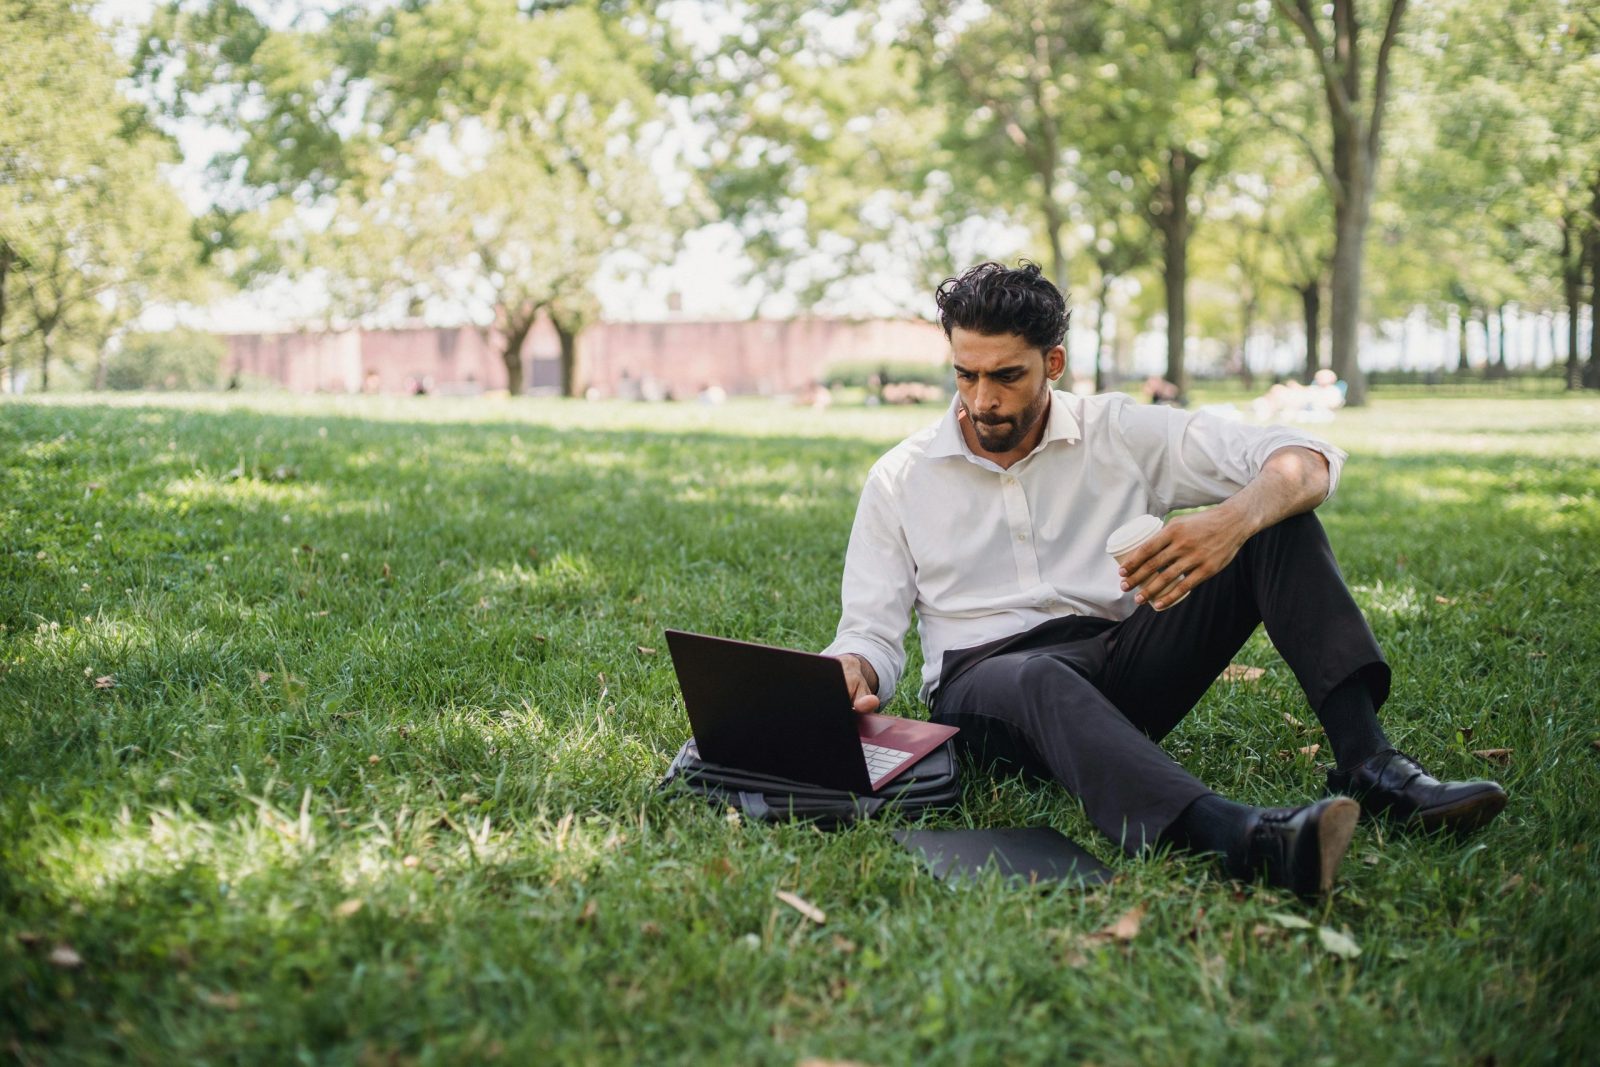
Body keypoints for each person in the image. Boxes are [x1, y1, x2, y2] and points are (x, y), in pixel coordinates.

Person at [822, 261, 1506, 898]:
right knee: (1034, 675)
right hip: (985, 690)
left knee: (1277, 522)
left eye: (1006, 376)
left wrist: (1230, 522)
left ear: (1053, 363)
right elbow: (870, 633)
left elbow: (1306, 457)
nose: (982, 399)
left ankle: (1371, 763)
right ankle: (1235, 834)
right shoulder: (901, 476)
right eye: (965, 375)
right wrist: (854, 669)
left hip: (1117, 665)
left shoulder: (1117, 431)